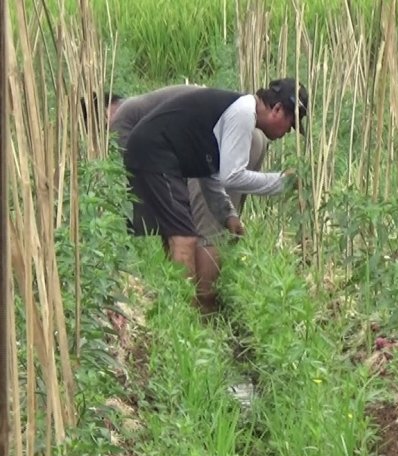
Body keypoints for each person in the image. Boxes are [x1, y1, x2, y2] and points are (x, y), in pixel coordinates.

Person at [118, 78, 307, 312]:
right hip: (155, 154)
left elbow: (210, 175)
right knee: (184, 238)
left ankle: (186, 312)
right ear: (277, 109)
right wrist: (282, 183)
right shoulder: (243, 113)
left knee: (180, 233)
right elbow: (233, 176)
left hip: (162, 155)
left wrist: (227, 215)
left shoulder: (233, 110)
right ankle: (184, 319)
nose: (288, 132)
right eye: (290, 125)